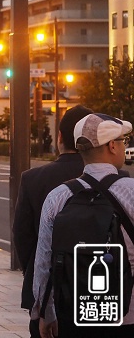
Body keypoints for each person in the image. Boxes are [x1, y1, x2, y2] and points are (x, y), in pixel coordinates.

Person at [33, 113, 134, 337]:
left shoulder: (58, 197)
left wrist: (45, 313)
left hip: (74, 315)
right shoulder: (131, 191)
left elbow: (44, 262)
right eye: (122, 141)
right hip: (128, 316)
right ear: (112, 146)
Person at [13, 105, 92, 338]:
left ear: (59, 137)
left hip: (47, 289)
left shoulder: (33, 179)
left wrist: (35, 271)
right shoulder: (112, 181)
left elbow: (23, 236)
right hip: (100, 287)